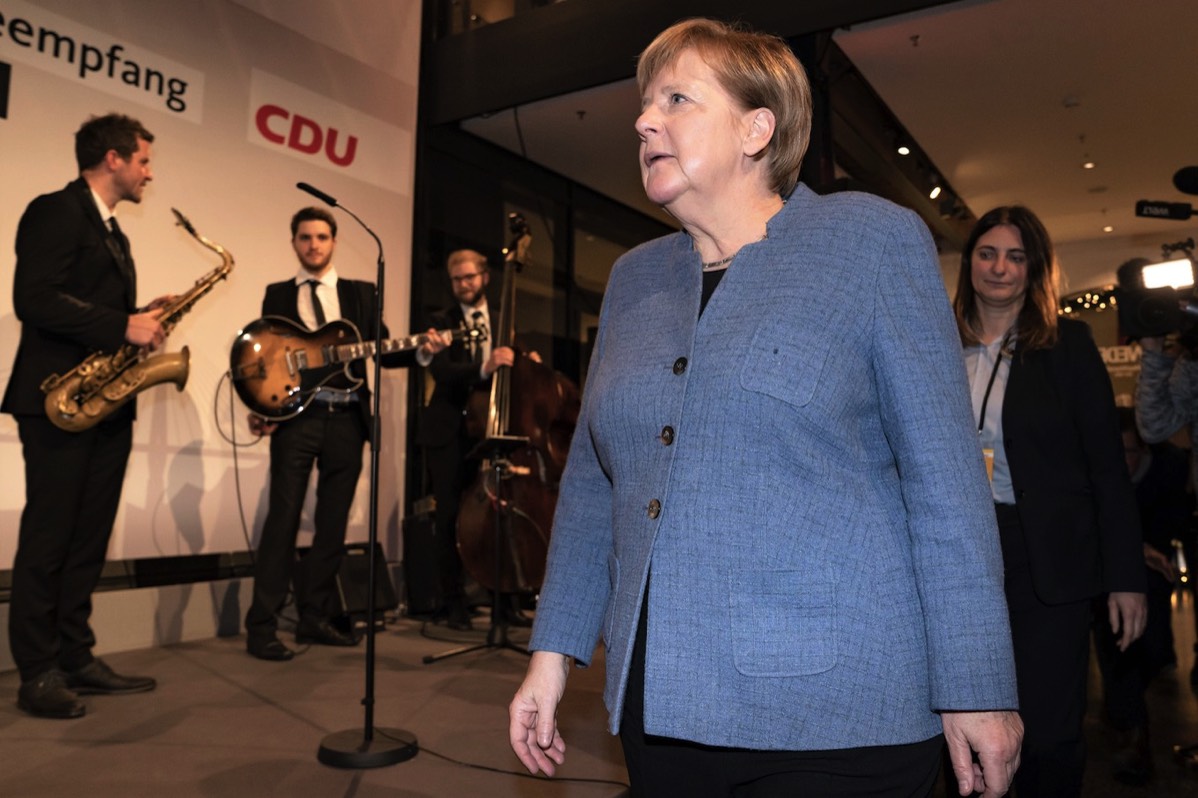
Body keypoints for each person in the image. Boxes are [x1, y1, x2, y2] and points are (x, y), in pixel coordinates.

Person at [509, 19, 1022, 798]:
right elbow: (592, 486)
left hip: (838, 718)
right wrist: (553, 656)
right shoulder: (634, 279)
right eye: (645, 106)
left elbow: (945, 483)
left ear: (758, 127)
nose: (646, 121)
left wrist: (978, 682)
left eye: (677, 99)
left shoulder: (872, 243)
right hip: (659, 706)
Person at [952, 204, 1147, 796]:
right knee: (967, 715)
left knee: (1048, 728)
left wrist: (1126, 577)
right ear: (970, 263)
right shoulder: (936, 342)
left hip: (1047, 560)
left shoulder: (1068, 345)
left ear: (1034, 269)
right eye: (988, 253)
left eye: (1016, 257)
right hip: (959, 555)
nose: (1000, 268)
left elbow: (1107, 470)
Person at [2, 113, 167, 719]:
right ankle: (37, 672)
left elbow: (93, 308)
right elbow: (34, 299)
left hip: (103, 405)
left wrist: (143, 314)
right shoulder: (56, 209)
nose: (150, 173)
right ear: (114, 159)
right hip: (54, 401)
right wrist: (120, 322)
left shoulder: (113, 232)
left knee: (88, 540)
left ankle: (76, 656)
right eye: (145, 160)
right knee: (50, 539)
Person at [243, 206, 444, 661]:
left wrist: (424, 350)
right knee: (283, 520)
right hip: (296, 422)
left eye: (321, 237)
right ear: (294, 243)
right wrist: (261, 407)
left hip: (347, 419)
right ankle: (262, 626)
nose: (313, 244)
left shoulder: (359, 293)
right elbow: (265, 361)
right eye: (304, 238)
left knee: (332, 525)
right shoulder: (276, 294)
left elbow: (386, 352)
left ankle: (314, 617)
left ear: (333, 241)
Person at [416, 248, 523, 631]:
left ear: (485, 278)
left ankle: (504, 601)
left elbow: (512, 371)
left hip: (491, 430)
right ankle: (453, 602)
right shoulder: (439, 321)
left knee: (498, 516)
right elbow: (443, 373)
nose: (463, 285)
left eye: (470, 277)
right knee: (447, 517)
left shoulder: (502, 320)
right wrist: (484, 366)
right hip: (448, 432)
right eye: (457, 279)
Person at [1090, 407, 1188, 785]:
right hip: (1104, 577)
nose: (1123, 461)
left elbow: (1172, 520)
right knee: (1117, 645)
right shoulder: (1096, 481)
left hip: (1152, 575)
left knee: (1151, 648)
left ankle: (1127, 716)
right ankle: (1133, 733)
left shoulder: (1167, 471)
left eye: (1129, 452)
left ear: (1144, 449)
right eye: (1115, 453)